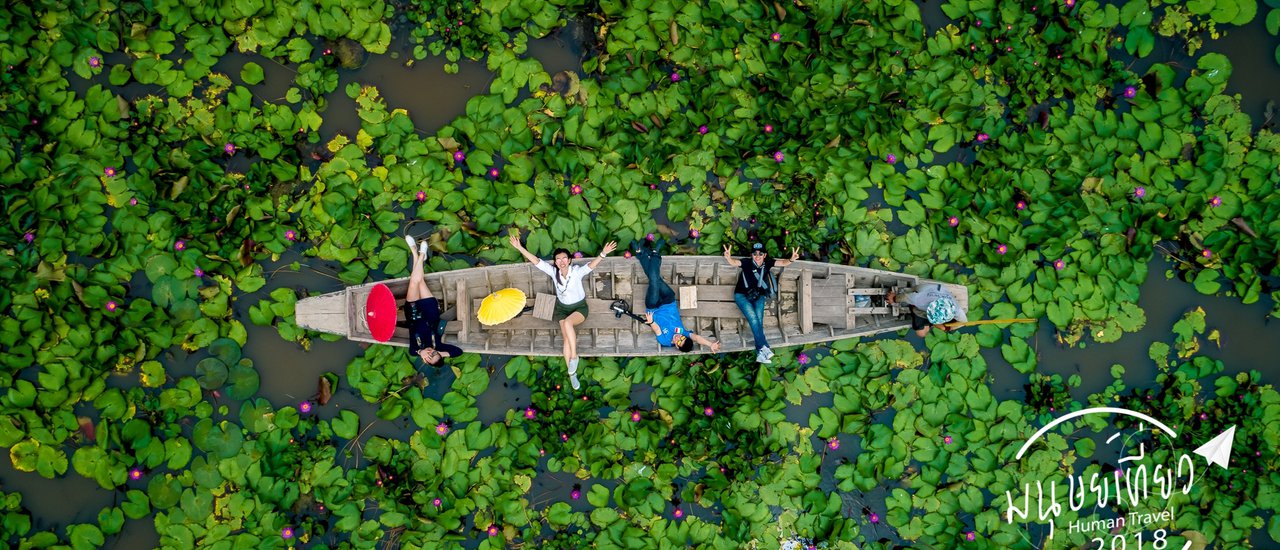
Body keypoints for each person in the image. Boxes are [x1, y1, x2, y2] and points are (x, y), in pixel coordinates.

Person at [508, 228, 617, 390]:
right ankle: (572, 375)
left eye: (564, 258)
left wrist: (603, 253)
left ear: (570, 260)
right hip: (561, 308)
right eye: (558, 259)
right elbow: (536, 261)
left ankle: (574, 357)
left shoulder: (577, 272)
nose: (561, 261)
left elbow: (591, 266)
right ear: (555, 262)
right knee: (566, 338)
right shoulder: (554, 272)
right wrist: (519, 248)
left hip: (579, 308)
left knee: (567, 324)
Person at [633, 239, 721, 353]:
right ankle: (642, 254)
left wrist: (651, 322)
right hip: (668, 301)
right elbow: (697, 338)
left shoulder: (665, 341)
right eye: (682, 338)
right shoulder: (684, 333)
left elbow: (657, 329)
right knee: (656, 279)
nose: (678, 338)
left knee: (654, 281)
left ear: (677, 347)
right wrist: (710, 344)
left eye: (679, 342)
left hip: (654, 307)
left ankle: (653, 253)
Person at [723, 242, 799, 364]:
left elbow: (783, 263)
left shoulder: (767, 262)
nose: (757, 256)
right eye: (755, 254)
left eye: (760, 254)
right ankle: (765, 347)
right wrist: (728, 257)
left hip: (759, 295)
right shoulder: (747, 263)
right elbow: (734, 262)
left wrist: (791, 259)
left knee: (759, 320)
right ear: (751, 255)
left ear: (765, 255)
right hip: (742, 295)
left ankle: (760, 352)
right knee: (754, 319)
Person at [402, 235, 463, 366]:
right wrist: (440, 353)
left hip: (413, 313)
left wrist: (421, 352)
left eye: (429, 357)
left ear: (425, 360)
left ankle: (418, 254)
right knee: (419, 281)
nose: (430, 353)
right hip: (430, 310)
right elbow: (458, 352)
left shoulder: (415, 350)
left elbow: (413, 351)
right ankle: (418, 254)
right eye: (434, 354)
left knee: (414, 282)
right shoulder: (438, 346)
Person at [887, 283, 967, 337]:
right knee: (921, 333)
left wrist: (947, 328)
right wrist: (893, 298)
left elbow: (963, 322)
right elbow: (904, 297)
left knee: (924, 332)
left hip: (941, 290)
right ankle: (913, 308)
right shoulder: (920, 300)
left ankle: (930, 323)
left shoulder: (956, 309)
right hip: (924, 289)